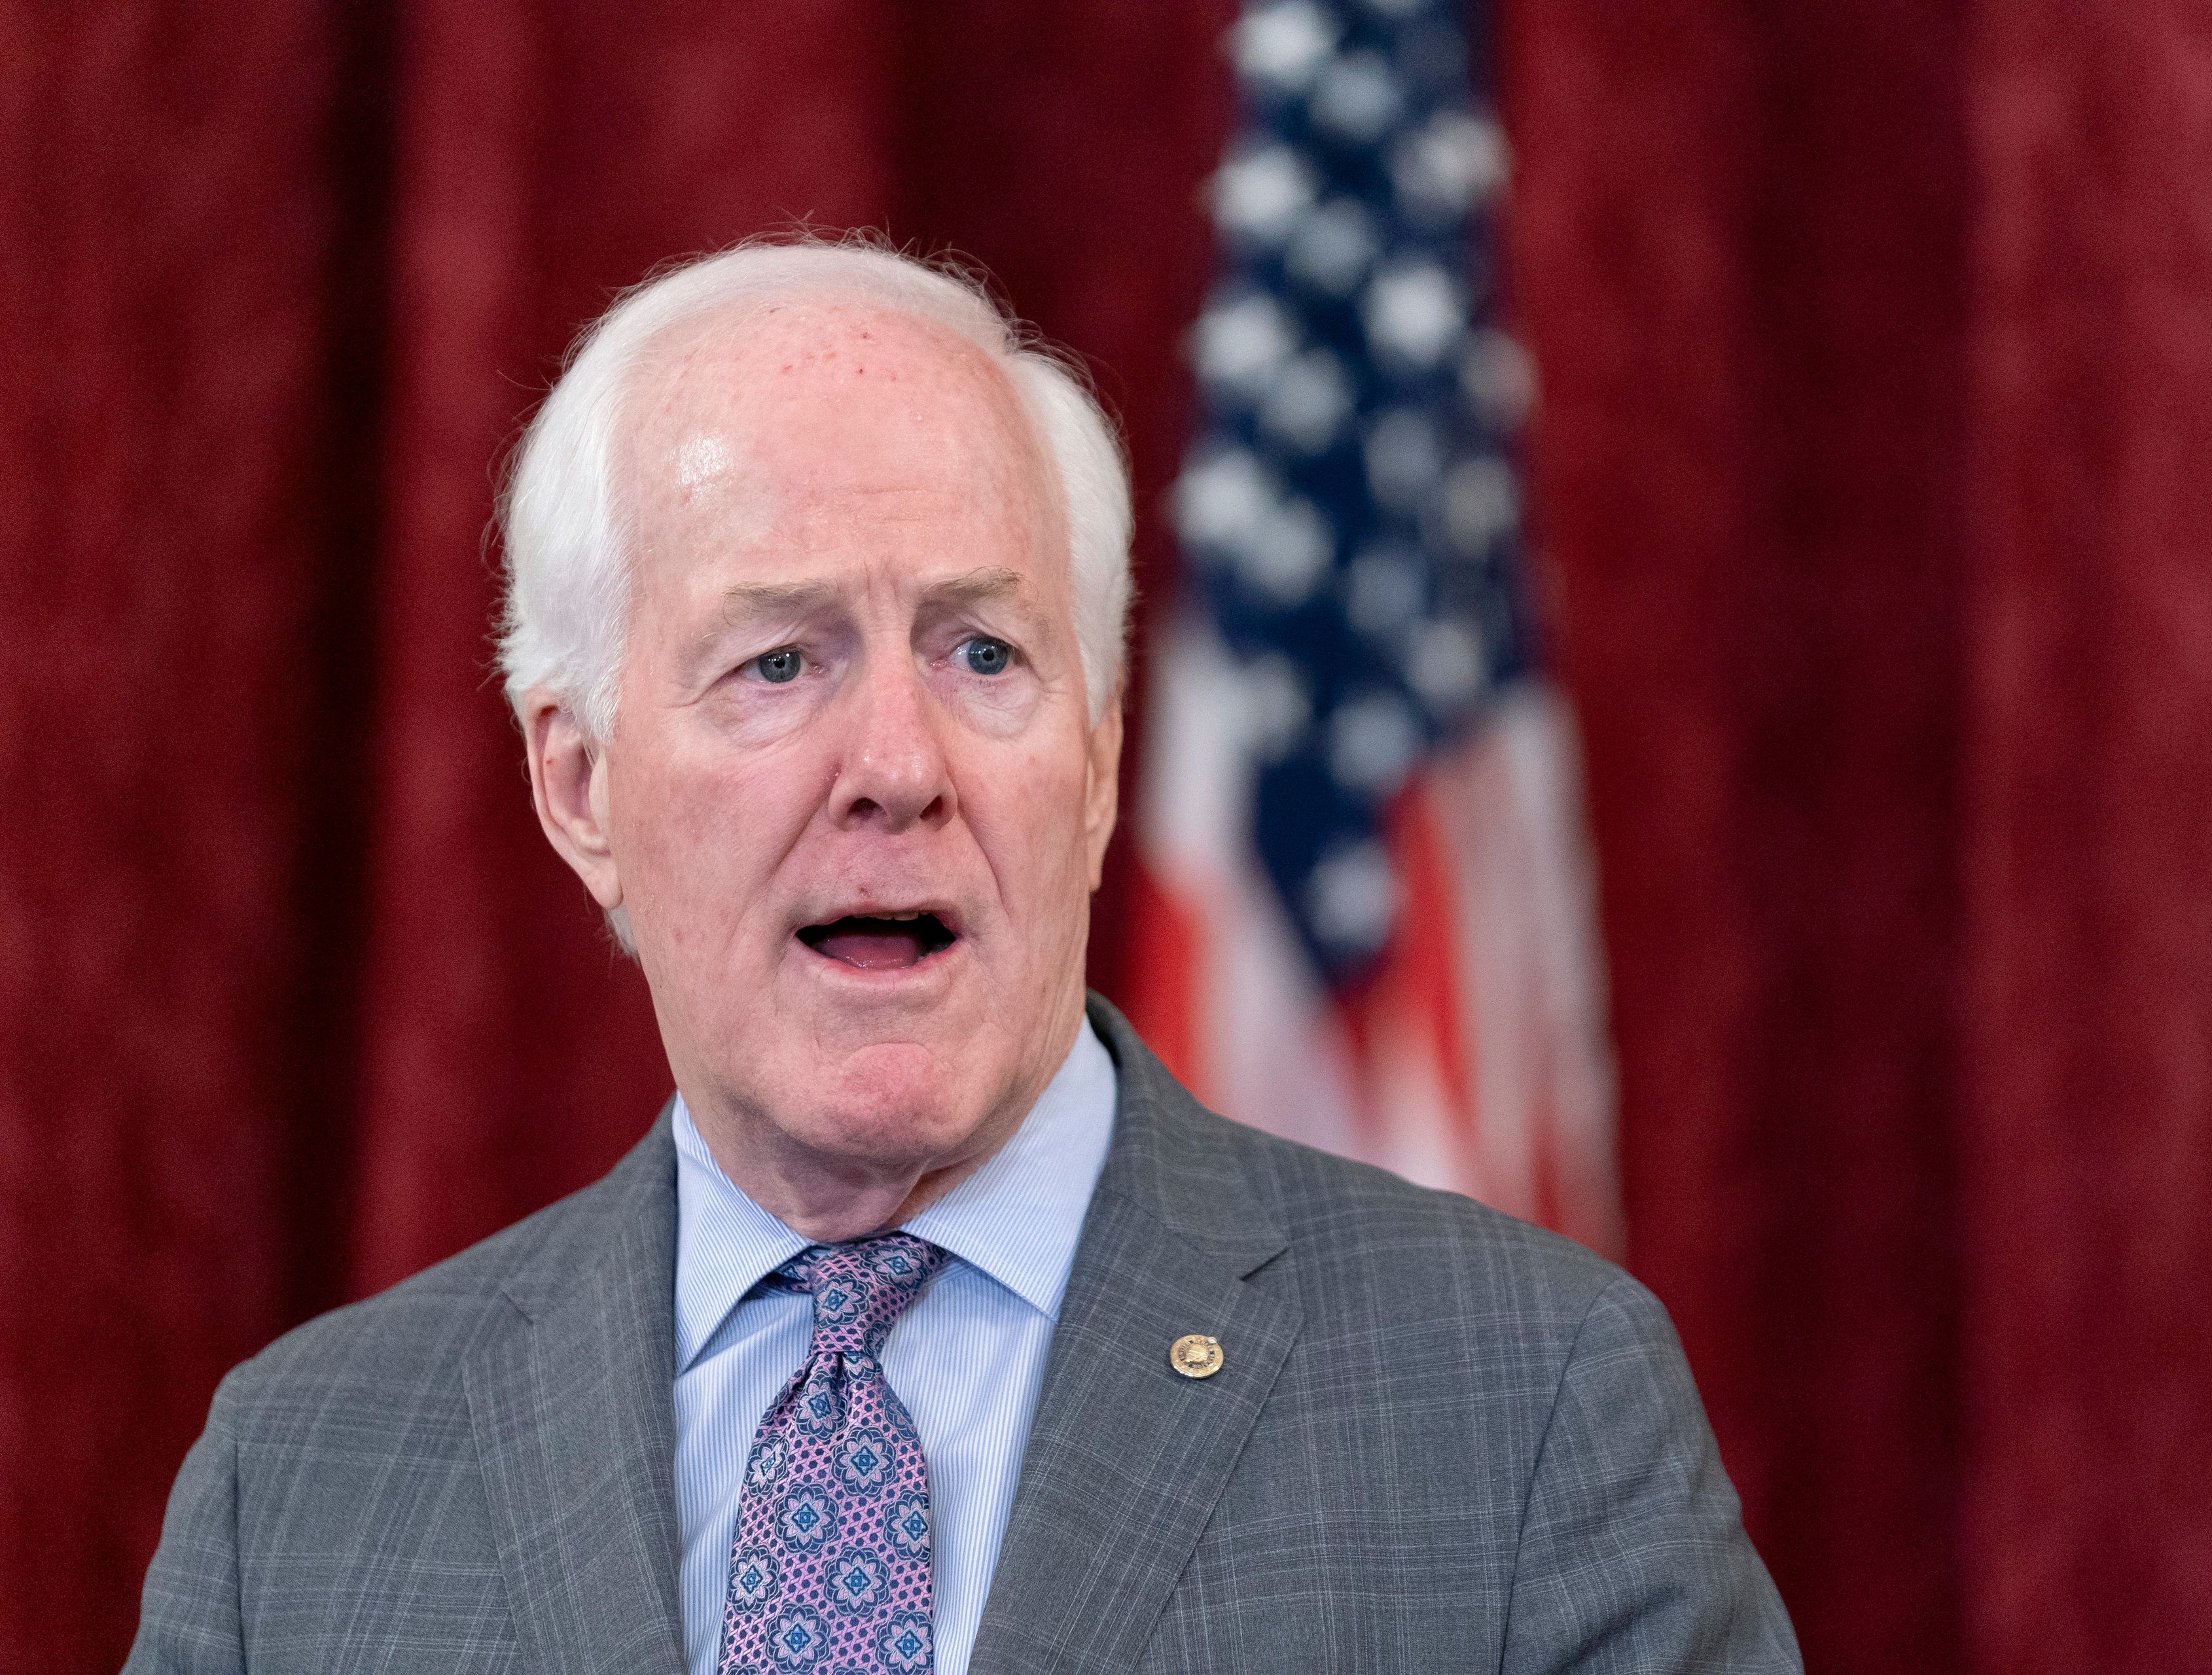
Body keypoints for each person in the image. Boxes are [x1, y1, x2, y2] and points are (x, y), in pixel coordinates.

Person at [124, 237, 1800, 1675]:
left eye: (982, 651)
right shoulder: (304, 1485)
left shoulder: (1520, 1406)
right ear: (579, 783)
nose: (898, 761)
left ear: (1098, 757)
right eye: (780, 661)